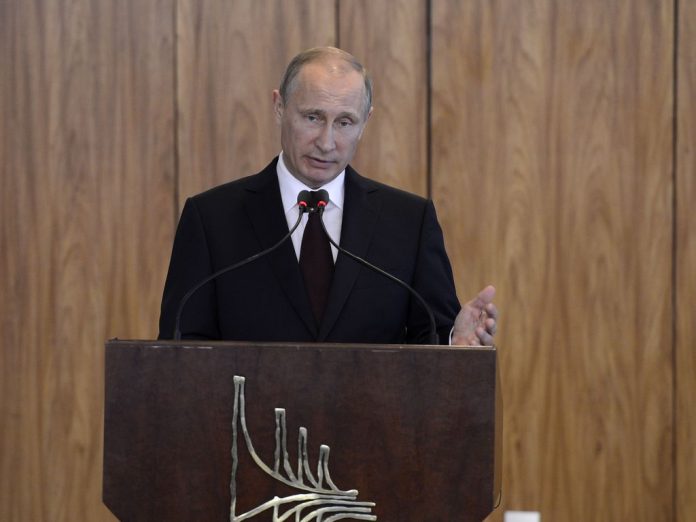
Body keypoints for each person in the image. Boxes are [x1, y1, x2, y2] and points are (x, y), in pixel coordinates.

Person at [158, 47, 497, 345]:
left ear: (366, 122)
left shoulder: (409, 222)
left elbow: (431, 334)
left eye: (345, 122)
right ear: (279, 107)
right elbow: (181, 349)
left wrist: (454, 341)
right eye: (312, 117)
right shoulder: (211, 219)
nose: (326, 142)